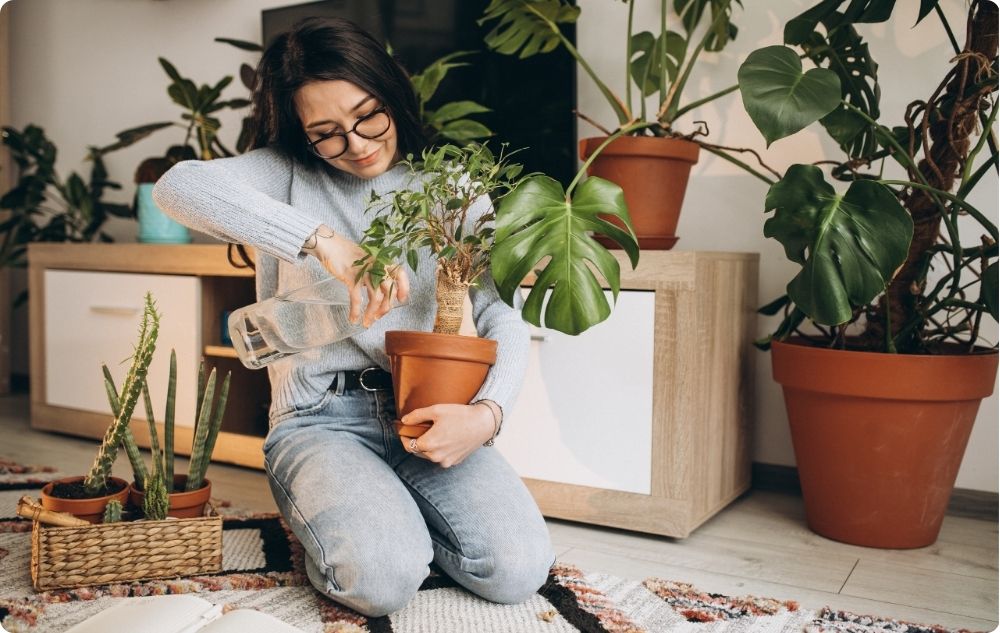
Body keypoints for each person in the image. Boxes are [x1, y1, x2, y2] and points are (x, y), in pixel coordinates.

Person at [152, 16, 554, 618]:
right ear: (302, 132)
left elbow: (498, 310)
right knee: (381, 581)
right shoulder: (284, 172)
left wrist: (486, 415)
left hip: (428, 411)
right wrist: (322, 243)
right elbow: (177, 186)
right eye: (328, 133)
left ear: (391, 92)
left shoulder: (452, 183)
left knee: (516, 569)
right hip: (320, 417)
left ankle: (385, 508)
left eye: (368, 115)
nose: (358, 143)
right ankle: (359, 514)